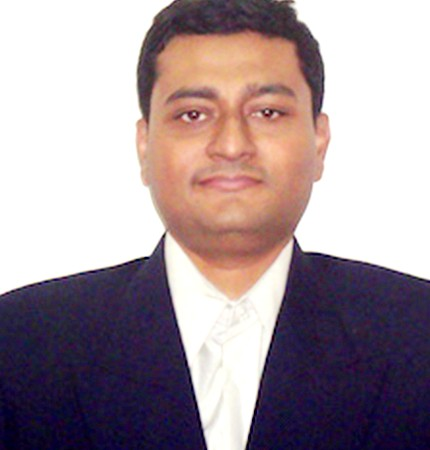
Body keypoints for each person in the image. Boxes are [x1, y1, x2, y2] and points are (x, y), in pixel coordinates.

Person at [0, 0, 429, 448]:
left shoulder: (417, 336)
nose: (231, 145)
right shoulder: (22, 347)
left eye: (267, 112)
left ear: (319, 142)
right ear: (144, 146)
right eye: (193, 114)